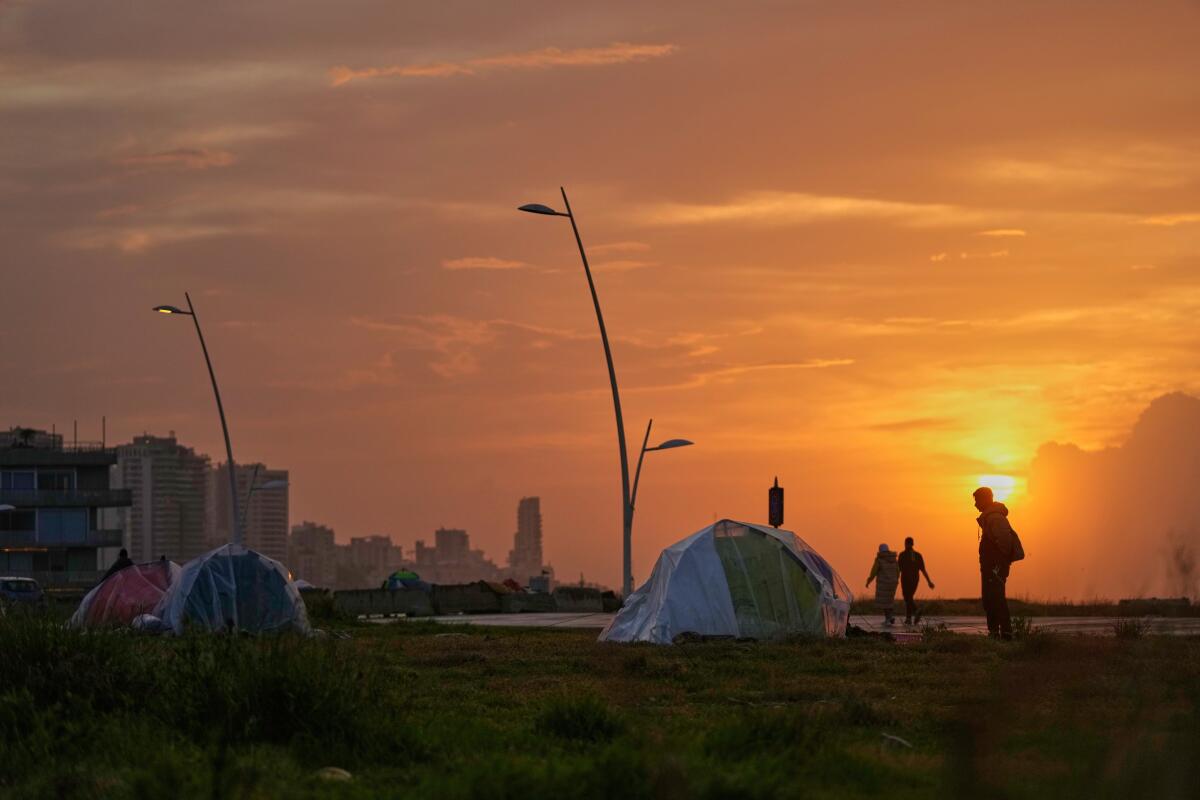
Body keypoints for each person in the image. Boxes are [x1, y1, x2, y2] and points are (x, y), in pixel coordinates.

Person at [974, 486, 1017, 639]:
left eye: (977, 500)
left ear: (985, 499)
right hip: (990, 567)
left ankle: (1005, 635)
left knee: (996, 599)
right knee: (990, 600)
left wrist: (998, 565)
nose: (975, 505)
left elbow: (1005, 542)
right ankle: (995, 634)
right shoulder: (990, 518)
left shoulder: (995, 518)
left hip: (995, 568)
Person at [897, 536, 935, 625]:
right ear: (913, 544)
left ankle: (914, 612)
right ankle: (909, 617)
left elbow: (898, 569)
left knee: (907, 597)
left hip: (906, 579)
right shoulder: (918, 555)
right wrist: (929, 581)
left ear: (905, 544)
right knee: (909, 597)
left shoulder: (902, 555)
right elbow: (923, 570)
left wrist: (895, 579)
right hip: (915, 579)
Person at [865, 544, 900, 625]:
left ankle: (888, 619)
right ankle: (890, 617)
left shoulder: (879, 559)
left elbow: (874, 572)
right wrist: (896, 580)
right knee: (889, 601)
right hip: (893, 583)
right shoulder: (894, 559)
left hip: (883, 584)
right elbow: (898, 571)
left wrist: (868, 581)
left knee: (884, 602)